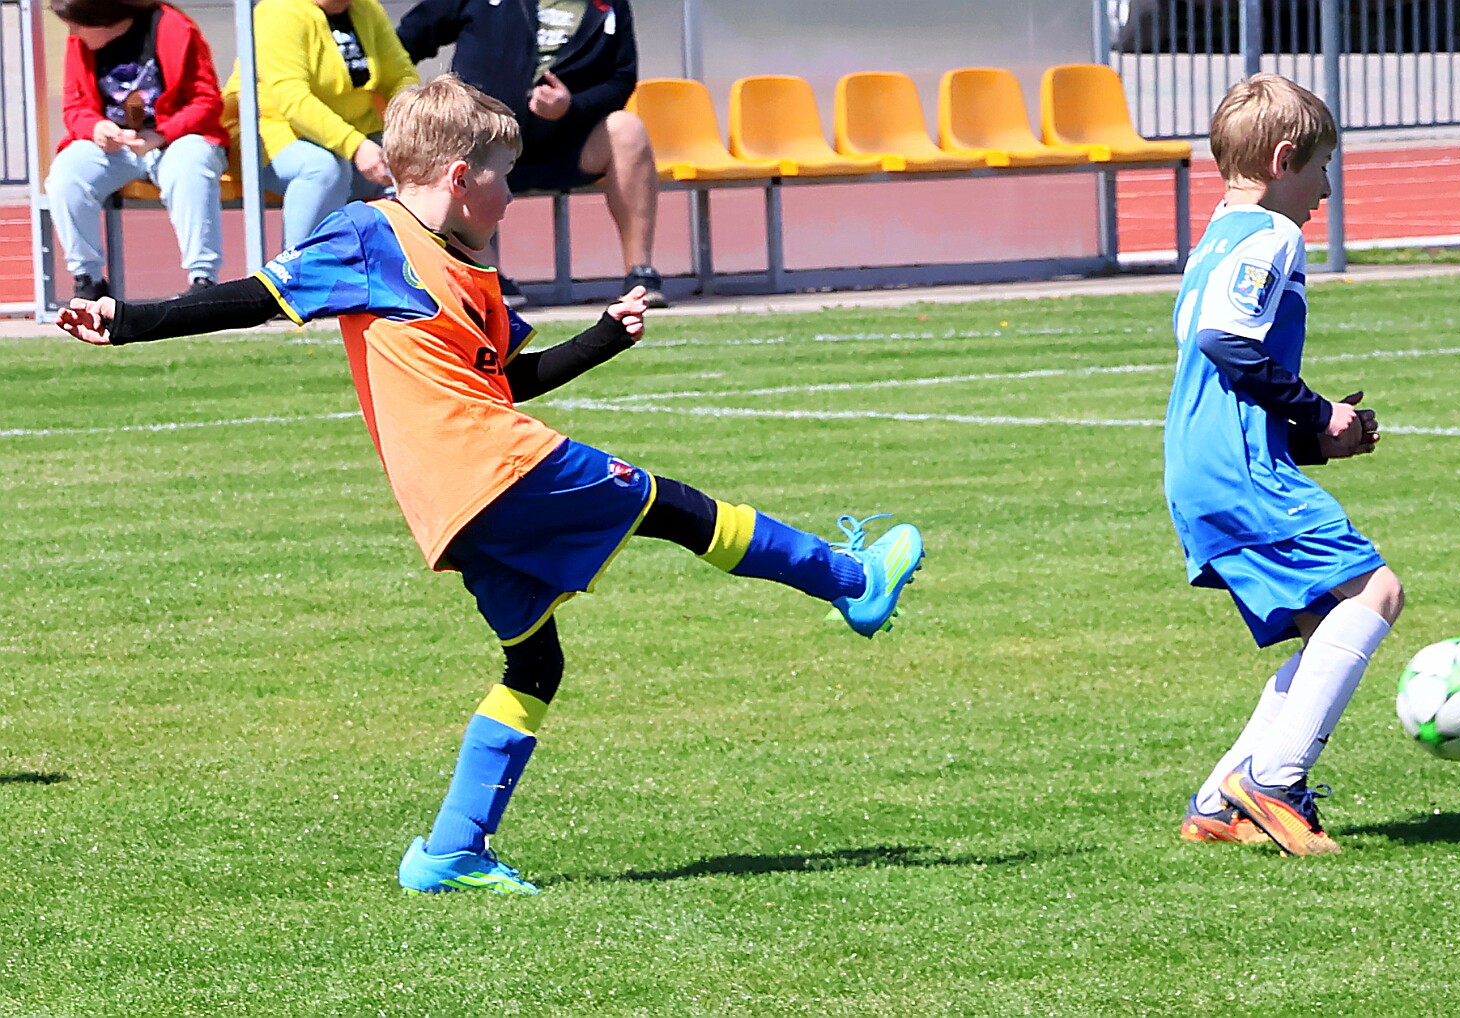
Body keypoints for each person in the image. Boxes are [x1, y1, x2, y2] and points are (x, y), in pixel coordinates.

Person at [56, 75, 927, 894]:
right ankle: (850, 580)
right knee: (673, 506)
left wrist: (601, 339)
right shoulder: (369, 236)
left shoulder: (471, 272)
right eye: (505, 176)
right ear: (461, 176)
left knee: (535, 661)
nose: (512, 195)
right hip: (491, 466)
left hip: (455, 503)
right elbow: (253, 297)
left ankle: (450, 851)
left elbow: (506, 382)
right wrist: (124, 319)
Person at [1166, 74, 1396, 857]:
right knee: (1376, 593)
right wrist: (1317, 411)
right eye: (1321, 167)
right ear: (1284, 158)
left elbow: (1219, 382)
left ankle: (1218, 801)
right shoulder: (1272, 236)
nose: (1326, 189)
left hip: (1202, 464)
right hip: (1236, 470)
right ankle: (1274, 781)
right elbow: (1224, 344)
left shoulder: (1213, 242)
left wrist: (1309, 439)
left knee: (1325, 623)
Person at [396, 0, 664, 306]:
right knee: (450, 138)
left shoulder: (611, 4)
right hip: (485, 144)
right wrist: (409, 104)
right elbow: (405, 41)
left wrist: (571, 105)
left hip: (568, 145)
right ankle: (485, 277)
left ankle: (640, 274)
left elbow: (622, 78)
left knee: (627, 130)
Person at [46, 0, 227, 300]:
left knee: (190, 168)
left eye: (78, 25)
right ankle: (88, 279)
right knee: (66, 175)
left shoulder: (173, 27)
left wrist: (162, 135)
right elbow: (75, 106)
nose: (73, 33)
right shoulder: (79, 43)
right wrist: (95, 127)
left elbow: (206, 101)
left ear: (103, 18)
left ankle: (203, 280)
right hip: (114, 145)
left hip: (176, 138)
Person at [225, 0, 418, 252]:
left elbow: (400, 76)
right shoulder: (278, 12)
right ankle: (298, 264)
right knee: (324, 170)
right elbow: (293, 99)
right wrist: (355, 146)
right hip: (271, 132)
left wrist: (413, 126)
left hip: (355, 131)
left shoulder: (367, 9)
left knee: (423, 164)